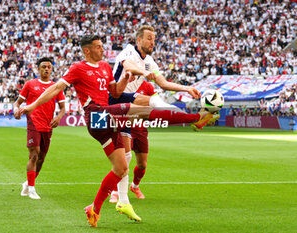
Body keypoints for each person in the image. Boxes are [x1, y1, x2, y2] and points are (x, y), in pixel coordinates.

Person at [18, 35, 216, 227]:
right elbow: (54, 89)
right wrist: (32, 105)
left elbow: (115, 93)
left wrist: (125, 79)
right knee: (145, 112)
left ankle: (94, 209)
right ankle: (196, 119)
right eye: (98, 47)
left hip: (106, 119)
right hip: (95, 116)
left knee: (121, 168)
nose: (103, 50)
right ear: (87, 51)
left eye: (102, 46)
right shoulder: (78, 68)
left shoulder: (105, 66)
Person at [108, 25, 216, 207]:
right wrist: (143, 73)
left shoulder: (150, 62)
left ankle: (121, 199)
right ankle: (194, 118)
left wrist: (186, 88)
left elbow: (163, 83)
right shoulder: (128, 51)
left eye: (153, 38)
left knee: (125, 159)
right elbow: (128, 65)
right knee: (154, 103)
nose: (152, 41)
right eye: (149, 38)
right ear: (139, 40)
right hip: (114, 100)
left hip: (129, 109)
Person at [13, 57, 66, 200]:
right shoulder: (30, 84)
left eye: (49, 66)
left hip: (48, 125)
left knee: (41, 158)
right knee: (34, 154)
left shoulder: (56, 87)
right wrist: (15, 110)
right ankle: (31, 189)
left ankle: (27, 184)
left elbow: (62, 108)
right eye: (43, 66)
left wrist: (59, 117)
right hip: (33, 123)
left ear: (52, 69)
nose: (46, 69)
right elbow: (17, 103)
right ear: (38, 69)